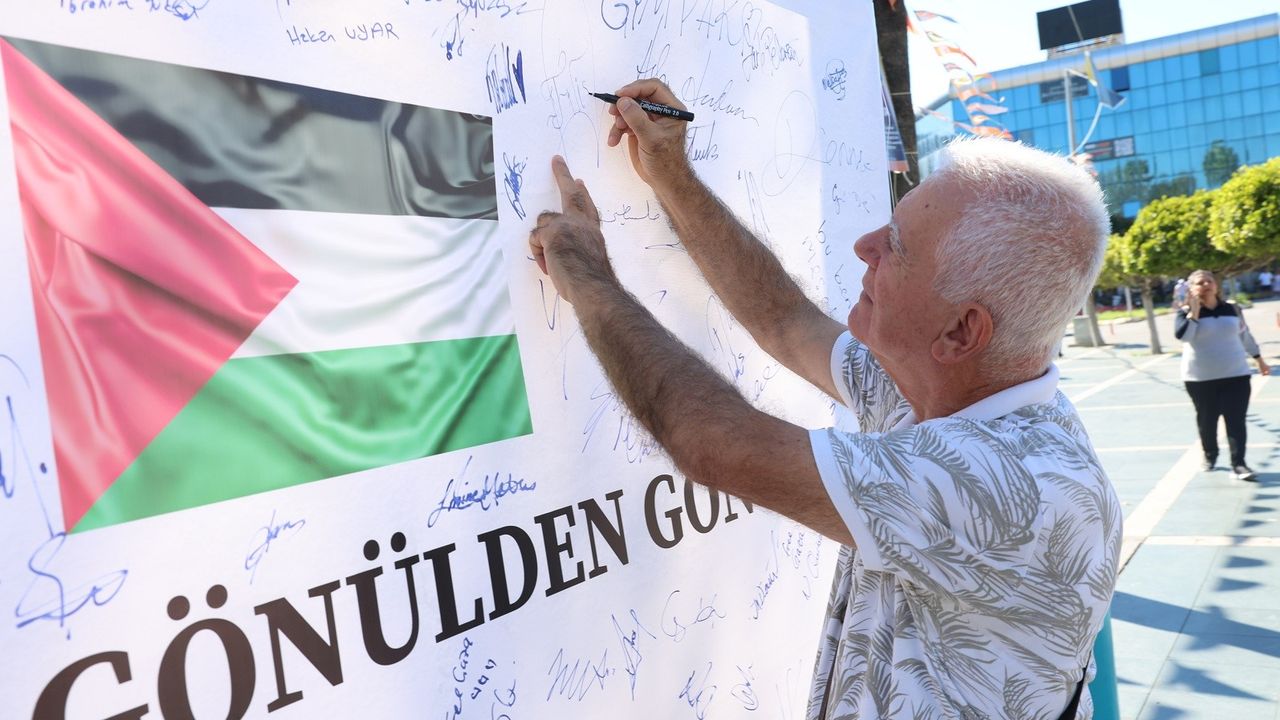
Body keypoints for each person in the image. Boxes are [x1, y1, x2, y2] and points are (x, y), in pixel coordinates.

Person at [529, 79, 1121, 719]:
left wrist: (585, 274)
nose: (865, 246)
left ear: (960, 332)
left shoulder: (1016, 485)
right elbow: (784, 320)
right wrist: (671, 171)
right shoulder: (943, 387)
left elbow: (713, 444)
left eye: (897, 248)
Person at [1176, 269, 1270, 479]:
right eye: (1200, 282)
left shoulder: (1232, 309)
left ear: (1216, 285)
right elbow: (1184, 337)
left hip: (1236, 375)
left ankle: (1239, 464)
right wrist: (1194, 312)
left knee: (1236, 420)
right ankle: (1210, 455)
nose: (1206, 285)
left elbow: (1245, 336)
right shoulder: (1184, 312)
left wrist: (1259, 359)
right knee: (1207, 420)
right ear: (1191, 288)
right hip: (1200, 379)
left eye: (1209, 281)